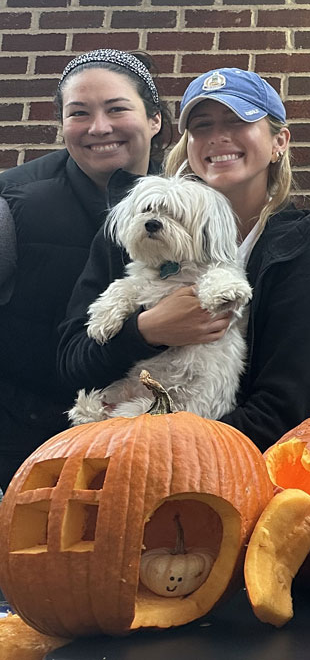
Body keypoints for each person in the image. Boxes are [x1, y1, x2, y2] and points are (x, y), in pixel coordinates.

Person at [57, 68, 310, 449]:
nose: (218, 137)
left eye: (237, 121)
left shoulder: (298, 255)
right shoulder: (136, 230)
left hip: (222, 460)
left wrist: (180, 453)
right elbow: (72, 362)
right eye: (201, 127)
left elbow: (282, 408)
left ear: (278, 142)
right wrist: (146, 332)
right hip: (107, 443)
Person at [0, 49, 171, 485]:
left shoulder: (189, 205)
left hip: (152, 439)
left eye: (117, 109)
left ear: (154, 120)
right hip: (29, 445)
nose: (99, 128)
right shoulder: (13, 202)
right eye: (79, 113)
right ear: (62, 126)